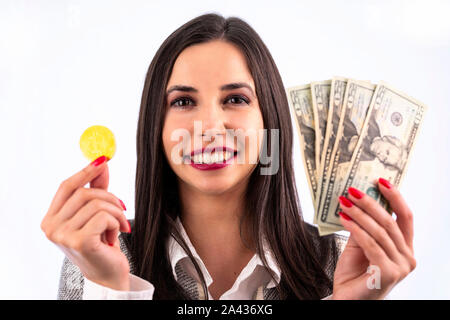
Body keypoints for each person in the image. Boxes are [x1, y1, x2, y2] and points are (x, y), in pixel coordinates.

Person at [41, 13, 416, 300]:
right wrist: (112, 287)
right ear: (155, 126)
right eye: (183, 101)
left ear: (271, 126)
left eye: (235, 99)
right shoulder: (99, 256)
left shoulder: (341, 259)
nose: (210, 126)